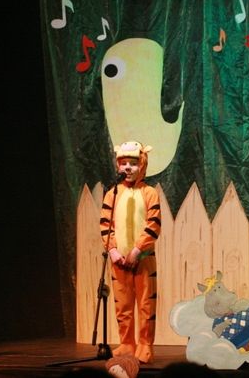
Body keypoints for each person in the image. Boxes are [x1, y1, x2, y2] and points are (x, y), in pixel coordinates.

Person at [100, 141, 160, 364]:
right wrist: (113, 249)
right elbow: (105, 224)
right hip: (118, 260)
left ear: (141, 165)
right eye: (123, 163)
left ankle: (145, 345)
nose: (127, 167)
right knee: (122, 305)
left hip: (143, 259)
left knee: (146, 304)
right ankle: (126, 343)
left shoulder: (150, 193)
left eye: (133, 163)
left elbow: (153, 224)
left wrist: (137, 249)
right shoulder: (112, 194)